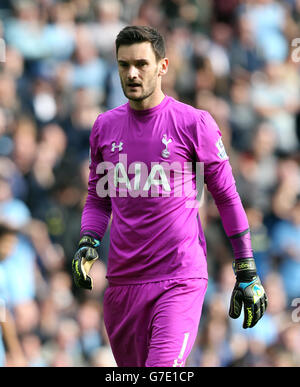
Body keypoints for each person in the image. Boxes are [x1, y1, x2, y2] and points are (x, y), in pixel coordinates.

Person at [72, 25, 267, 367]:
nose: (132, 73)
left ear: (162, 66)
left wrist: (246, 267)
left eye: (141, 64)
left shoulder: (194, 124)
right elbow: (98, 197)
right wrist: (88, 239)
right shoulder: (104, 127)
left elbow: (227, 197)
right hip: (122, 284)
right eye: (123, 64)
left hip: (178, 279)